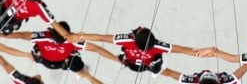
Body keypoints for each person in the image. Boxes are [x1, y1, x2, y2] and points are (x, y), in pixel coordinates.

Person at [74, 26, 210, 76]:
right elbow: (183, 50)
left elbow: (101, 38)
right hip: (148, 66)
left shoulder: (127, 39)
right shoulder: (158, 46)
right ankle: (158, 72)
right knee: (164, 71)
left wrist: (81, 36)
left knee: (121, 57)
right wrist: (201, 53)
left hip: (130, 64)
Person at [3, 21, 112, 82]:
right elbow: (97, 49)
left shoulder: (44, 37)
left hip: (46, 61)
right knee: (78, 66)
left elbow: (22, 35)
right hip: (62, 63)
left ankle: (83, 73)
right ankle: (84, 74)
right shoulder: (72, 41)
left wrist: (0, 34)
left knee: (35, 52)